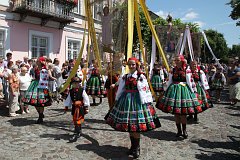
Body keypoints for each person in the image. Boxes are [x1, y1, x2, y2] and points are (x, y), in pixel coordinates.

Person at [105, 57, 161, 159]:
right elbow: (121, 84)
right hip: (126, 101)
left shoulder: (140, 76)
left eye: (133, 64)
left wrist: (147, 102)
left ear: (137, 65)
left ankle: (137, 147)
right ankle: (133, 146)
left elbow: (145, 89)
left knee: (136, 126)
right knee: (130, 126)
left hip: (137, 102)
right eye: (129, 64)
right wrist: (115, 89)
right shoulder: (126, 76)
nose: (131, 66)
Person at [156, 55, 201, 139]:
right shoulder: (172, 70)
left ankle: (184, 130)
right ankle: (179, 130)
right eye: (175, 60)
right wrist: (165, 90)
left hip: (184, 91)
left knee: (183, 113)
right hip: (174, 91)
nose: (176, 61)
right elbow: (169, 81)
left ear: (182, 60)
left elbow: (190, 81)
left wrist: (194, 91)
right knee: (176, 113)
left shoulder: (186, 70)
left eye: (178, 60)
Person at [22, 57, 52, 124]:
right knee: (34, 102)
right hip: (35, 85)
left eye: (38, 61)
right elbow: (34, 76)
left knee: (41, 103)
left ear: (41, 62)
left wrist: (46, 67)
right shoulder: (35, 68)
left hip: (42, 86)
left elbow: (49, 75)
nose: (37, 62)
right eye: (37, 61)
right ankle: (40, 114)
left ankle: (40, 116)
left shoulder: (45, 69)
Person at [64, 76, 90, 142]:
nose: (76, 84)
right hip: (74, 108)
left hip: (80, 108)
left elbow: (86, 98)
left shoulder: (82, 90)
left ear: (79, 83)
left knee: (79, 119)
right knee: (75, 119)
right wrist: (67, 106)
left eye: (77, 83)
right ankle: (78, 130)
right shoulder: (71, 91)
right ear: (72, 84)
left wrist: (86, 107)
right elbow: (69, 99)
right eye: (74, 83)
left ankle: (77, 132)